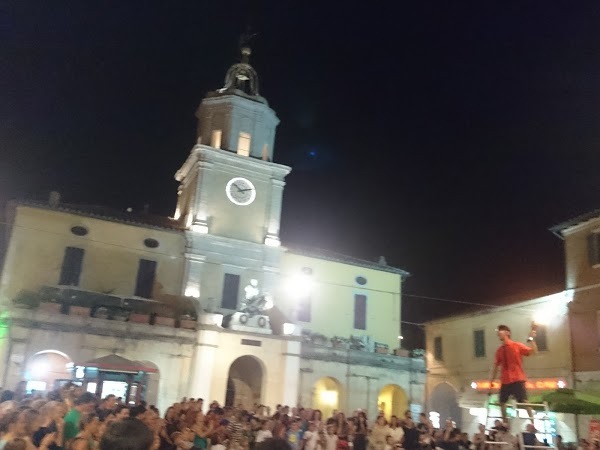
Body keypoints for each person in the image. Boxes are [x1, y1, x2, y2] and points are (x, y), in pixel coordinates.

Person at [489, 323, 538, 422]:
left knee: (524, 401)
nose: (498, 333)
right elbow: (495, 367)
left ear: (507, 333)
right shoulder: (499, 351)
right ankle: (505, 424)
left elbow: (533, 352)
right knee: (502, 402)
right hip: (505, 380)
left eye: (500, 330)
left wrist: (531, 338)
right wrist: (491, 382)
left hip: (517, 378)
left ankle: (533, 422)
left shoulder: (517, 345)